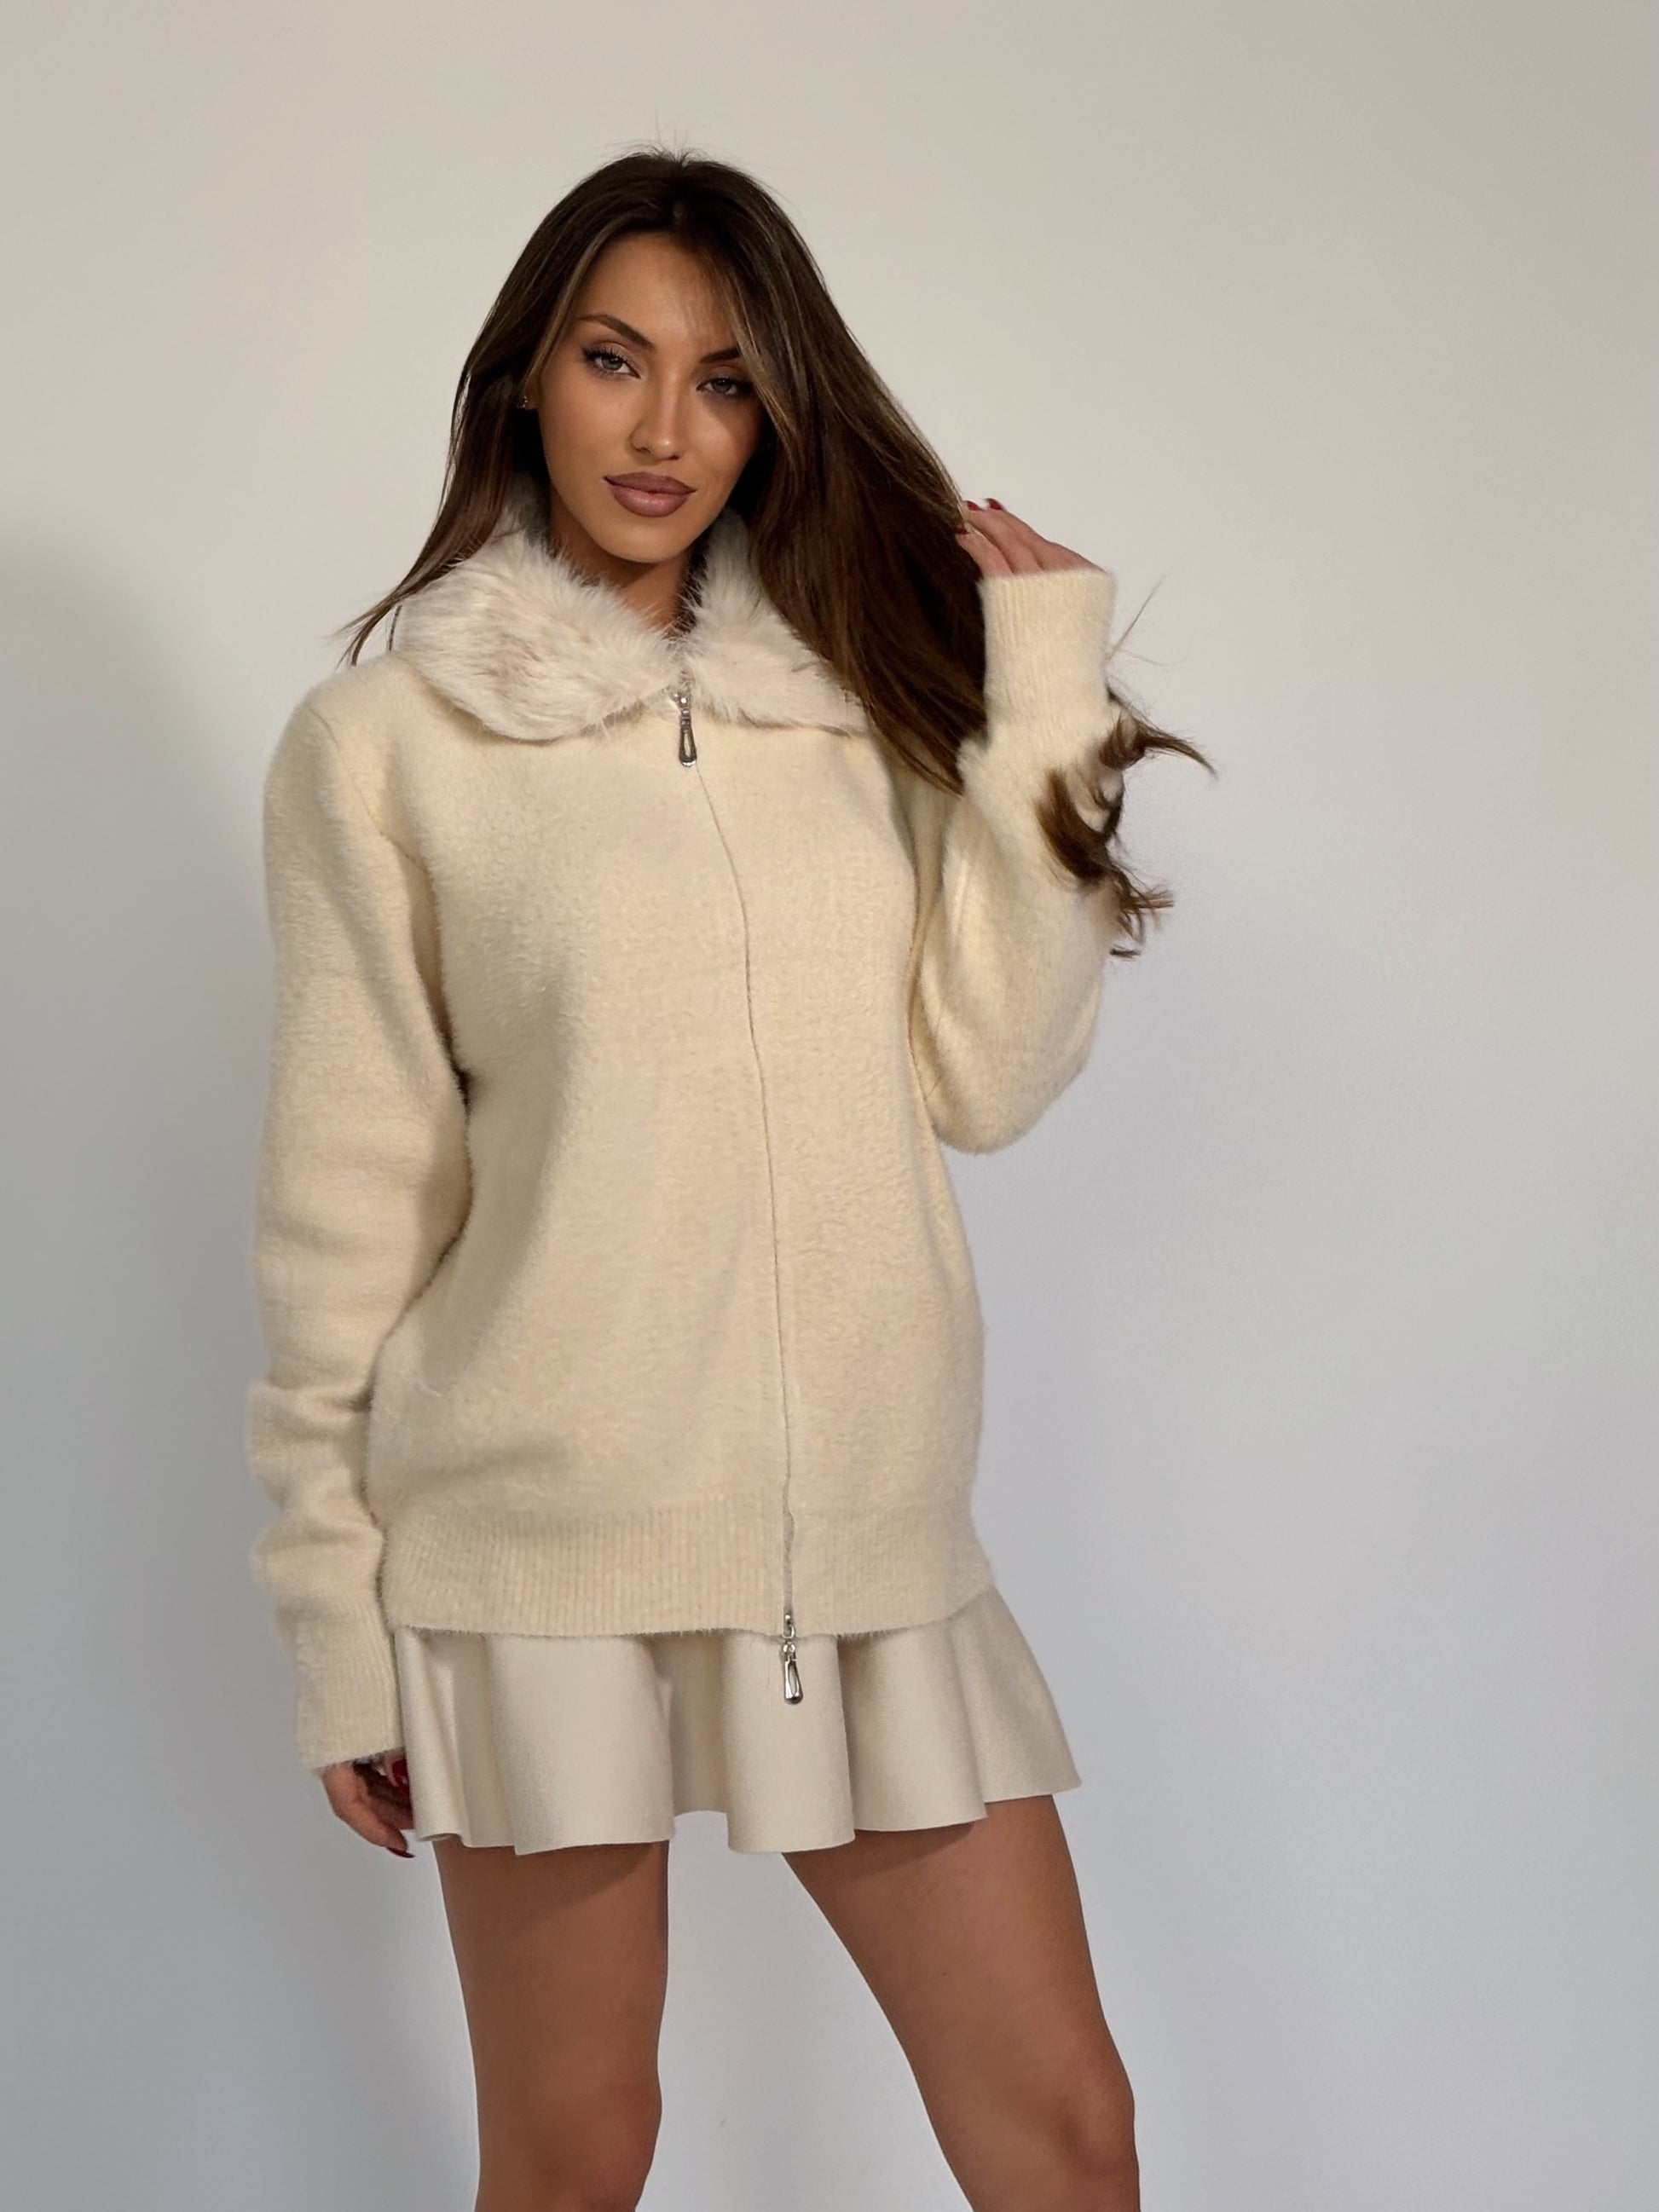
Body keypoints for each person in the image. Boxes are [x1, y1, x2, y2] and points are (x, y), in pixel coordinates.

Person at [246, 143, 1205, 2212]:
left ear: (778, 415)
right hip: (533, 1552)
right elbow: (346, 1206)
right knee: (576, 2154)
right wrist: (335, 1618)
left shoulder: (864, 710)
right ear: (526, 378)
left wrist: (1041, 690)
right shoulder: (384, 745)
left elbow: (987, 1073)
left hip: (862, 1539)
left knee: (1067, 2131)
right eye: (614, 360)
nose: (664, 429)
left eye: (725, 379)